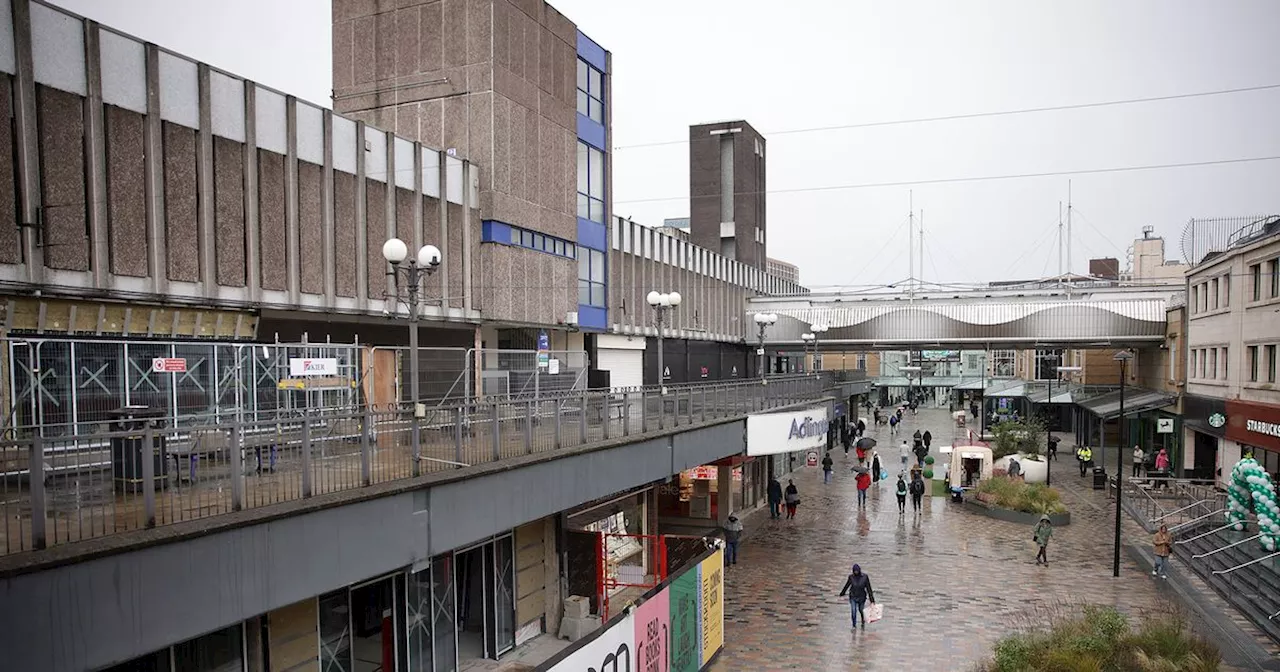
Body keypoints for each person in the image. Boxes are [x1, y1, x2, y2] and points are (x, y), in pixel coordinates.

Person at [837, 564, 876, 630]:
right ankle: (854, 625)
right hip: (853, 596)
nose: (856, 572)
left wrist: (872, 600)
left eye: (857, 571)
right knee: (853, 610)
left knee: (861, 610)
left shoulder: (865, 577)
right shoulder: (851, 577)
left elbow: (869, 589)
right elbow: (847, 585)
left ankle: (862, 619)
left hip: (862, 597)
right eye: (855, 571)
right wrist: (842, 593)